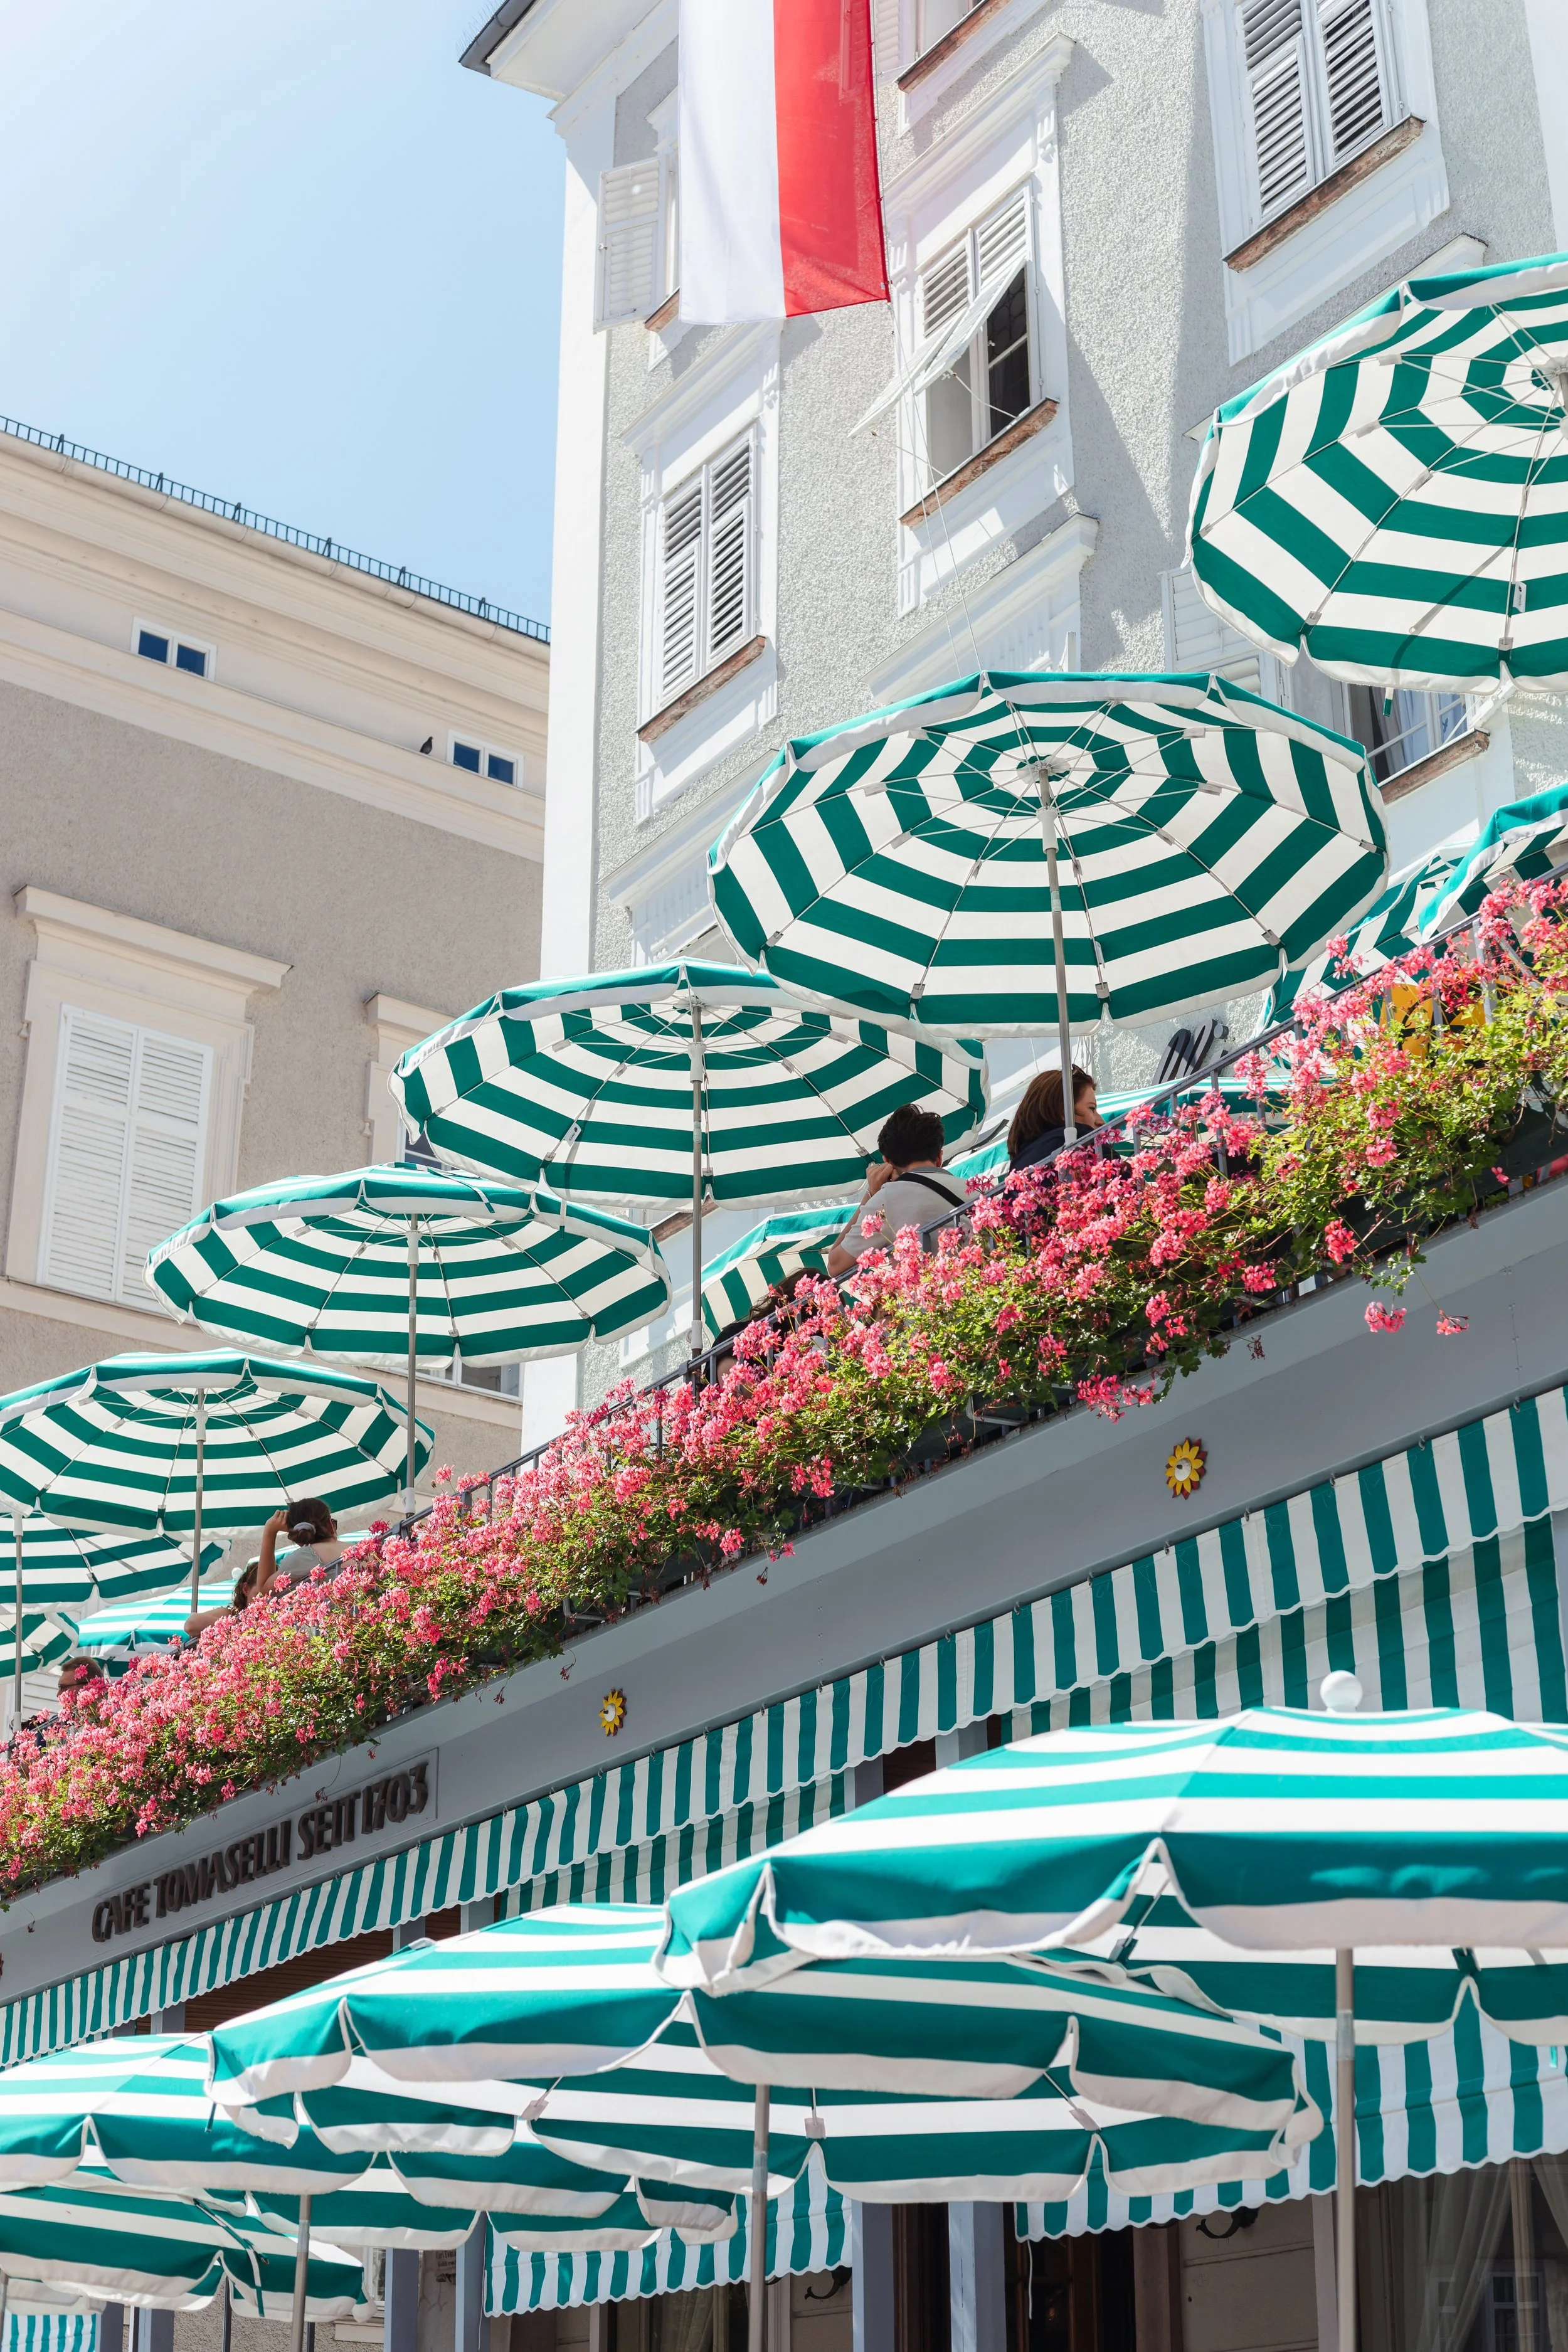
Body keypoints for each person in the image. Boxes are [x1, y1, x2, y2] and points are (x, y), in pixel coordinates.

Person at [826, 1103, 967, 1277]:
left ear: (887, 1162)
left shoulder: (887, 1199)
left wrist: (871, 1195)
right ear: (939, 1157)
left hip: (932, 1300)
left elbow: (835, 1265)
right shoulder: (978, 1190)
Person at [1007, 1063, 1103, 1173]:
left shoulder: (1017, 1167)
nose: (1101, 1122)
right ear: (1064, 1113)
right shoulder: (1083, 1138)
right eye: (1092, 1108)